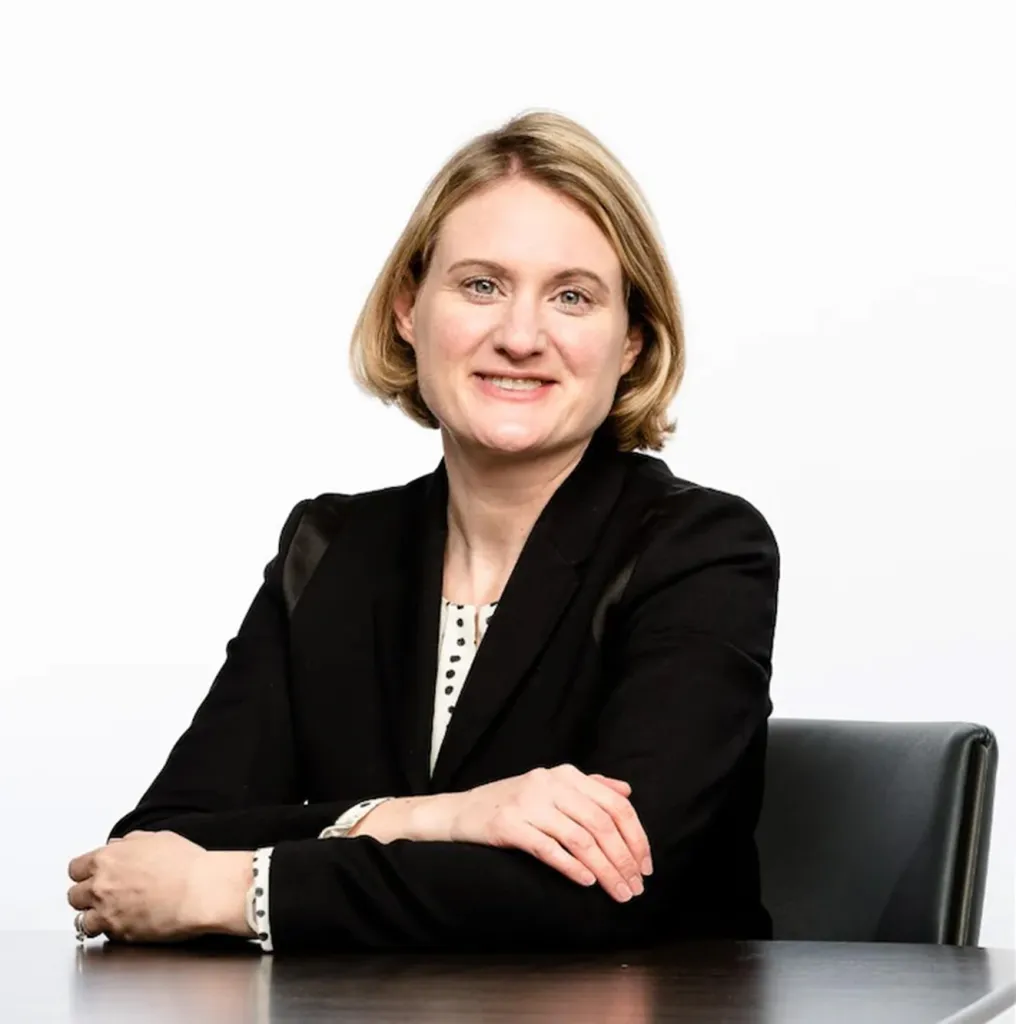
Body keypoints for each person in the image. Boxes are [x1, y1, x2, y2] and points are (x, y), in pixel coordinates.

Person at [66, 109, 780, 953]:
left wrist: (242, 887)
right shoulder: (332, 550)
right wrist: (443, 816)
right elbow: (155, 850)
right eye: (481, 286)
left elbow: (608, 888)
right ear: (408, 309)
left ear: (632, 341)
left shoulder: (701, 550)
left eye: (572, 297)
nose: (520, 337)